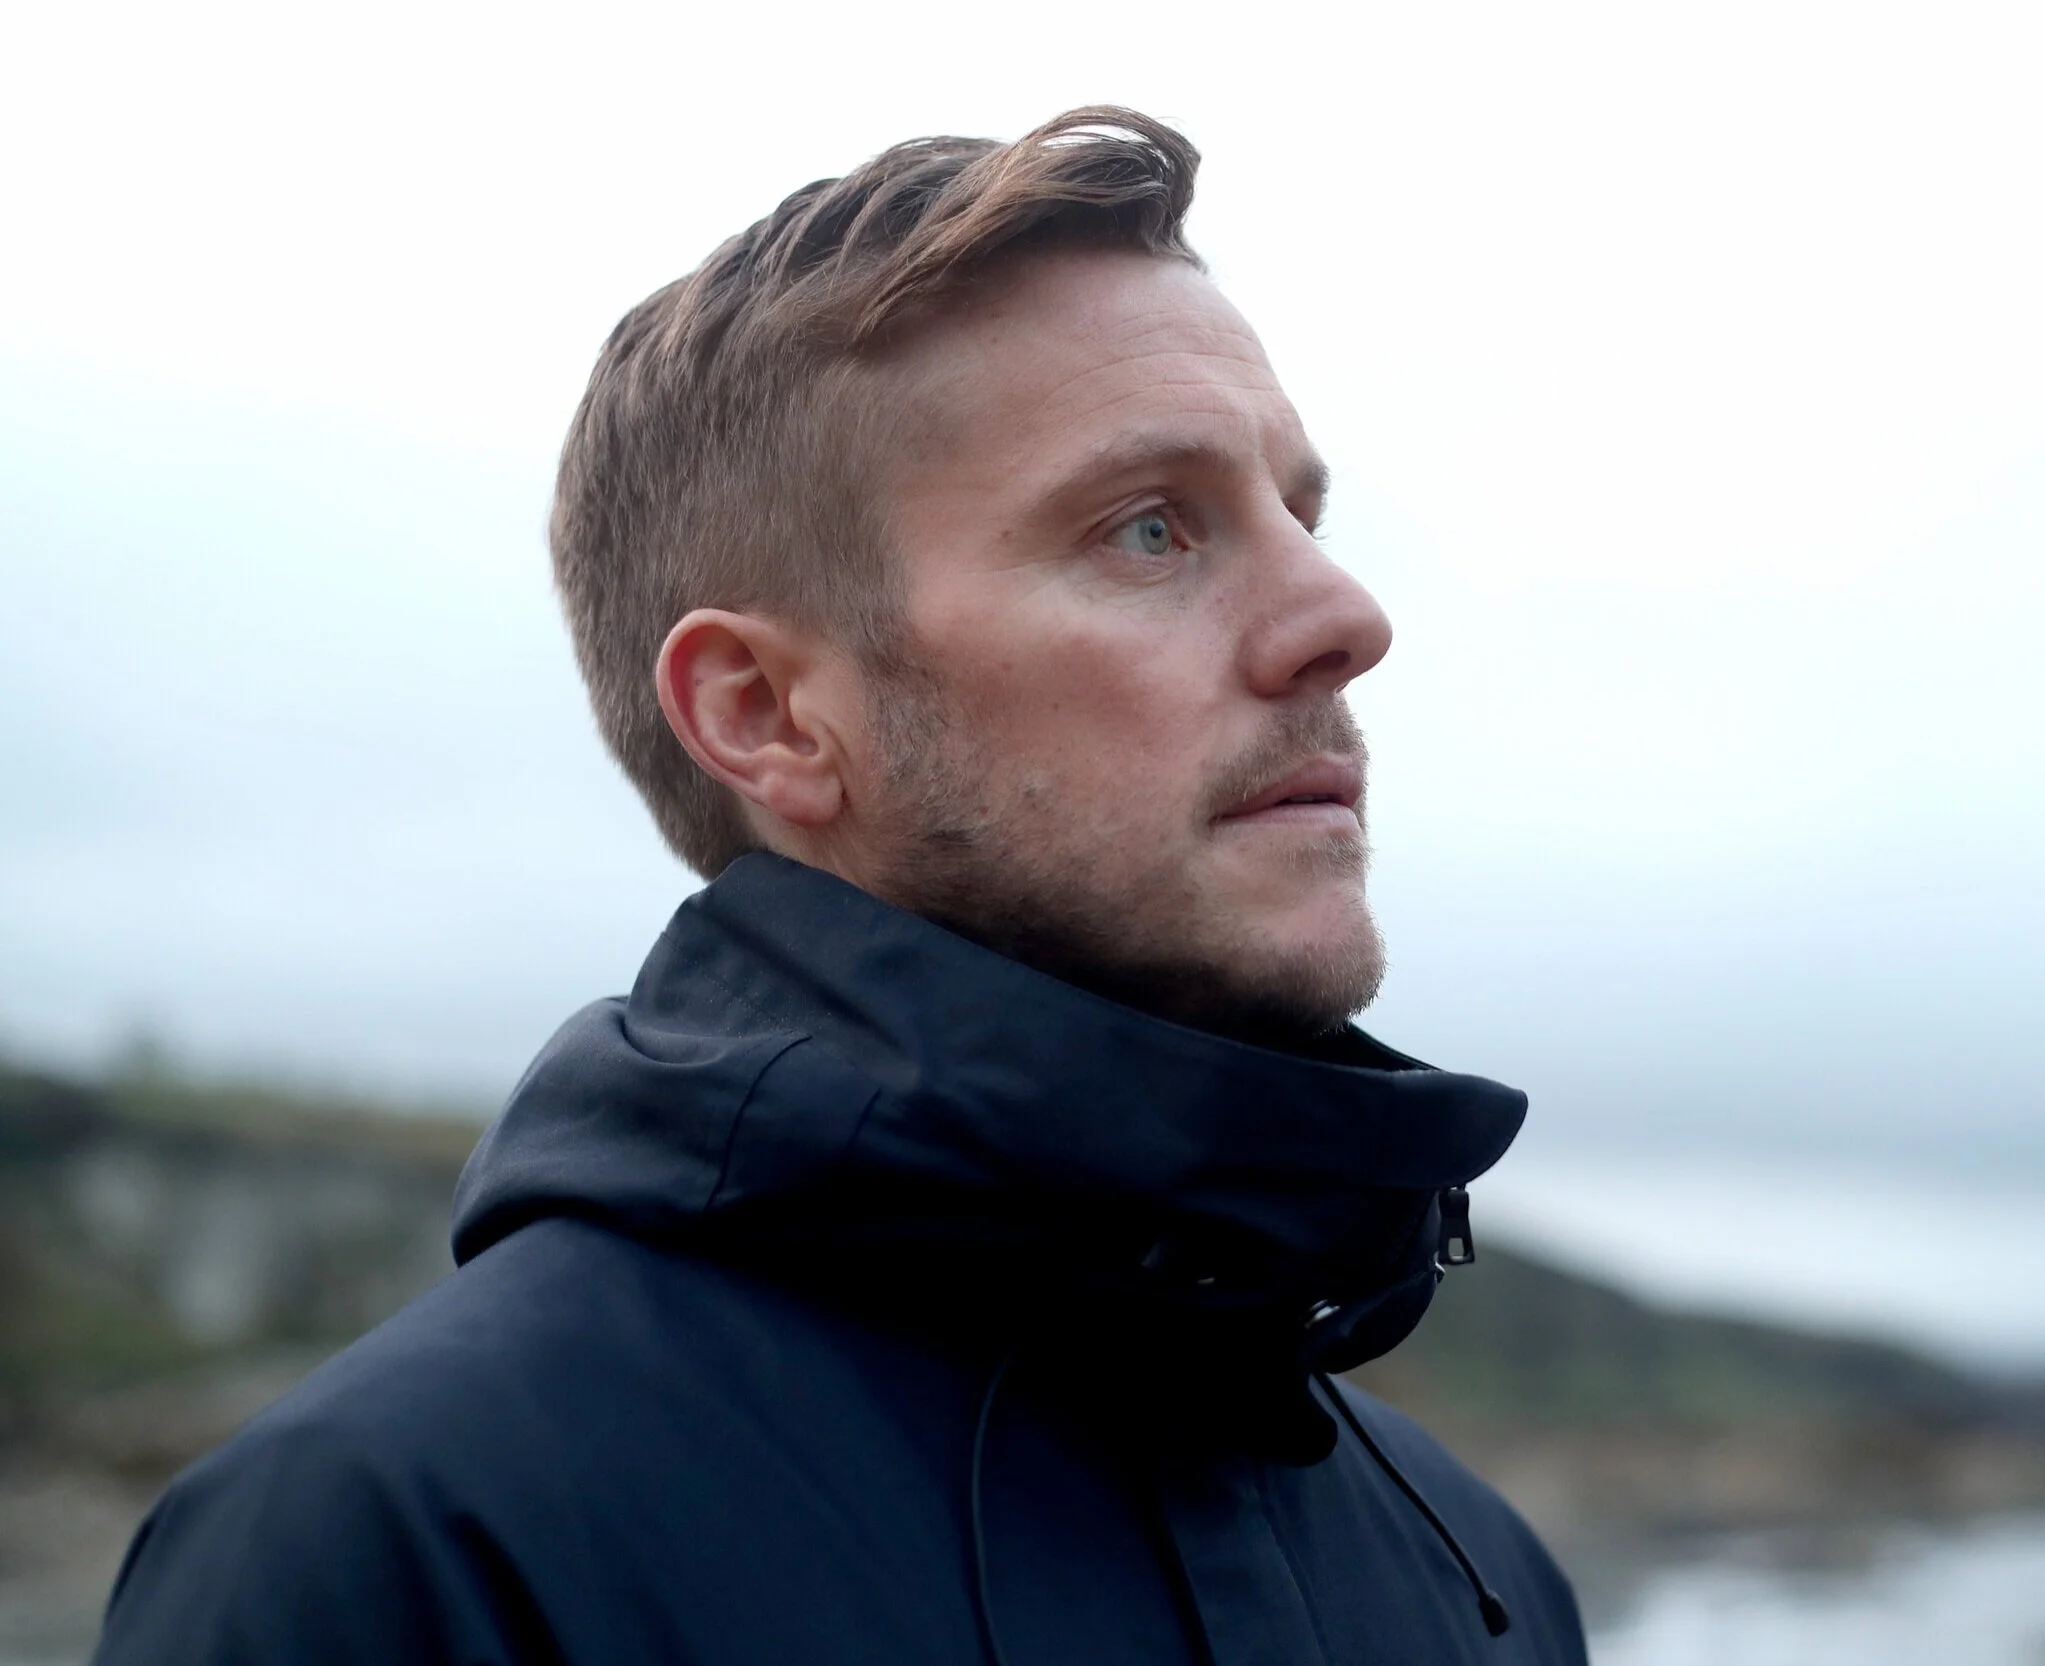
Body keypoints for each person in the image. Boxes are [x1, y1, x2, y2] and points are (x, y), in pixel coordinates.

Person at [96, 107, 1587, 1665]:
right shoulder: (412, 1549)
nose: (1345, 616)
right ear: (767, 714)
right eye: (1151, 528)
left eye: (1302, 514)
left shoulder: (1481, 1579)